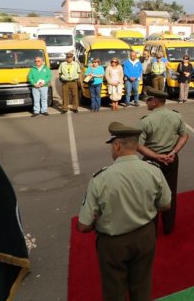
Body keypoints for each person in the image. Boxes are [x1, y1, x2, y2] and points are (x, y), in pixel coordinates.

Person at [77, 122, 171, 301]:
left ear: (117, 145)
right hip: (145, 236)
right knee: (142, 286)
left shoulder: (100, 178)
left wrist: (99, 221)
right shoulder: (153, 170)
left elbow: (83, 225)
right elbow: (166, 205)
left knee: (114, 290)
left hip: (113, 243)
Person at [137, 87, 189, 234]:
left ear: (155, 101)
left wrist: (156, 156)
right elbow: (184, 136)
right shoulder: (176, 116)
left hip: (152, 160)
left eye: (148, 99)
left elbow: (138, 145)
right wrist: (173, 152)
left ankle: (152, 229)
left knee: (152, 195)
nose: (146, 102)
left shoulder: (146, 121)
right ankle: (168, 227)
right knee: (170, 192)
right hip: (172, 159)